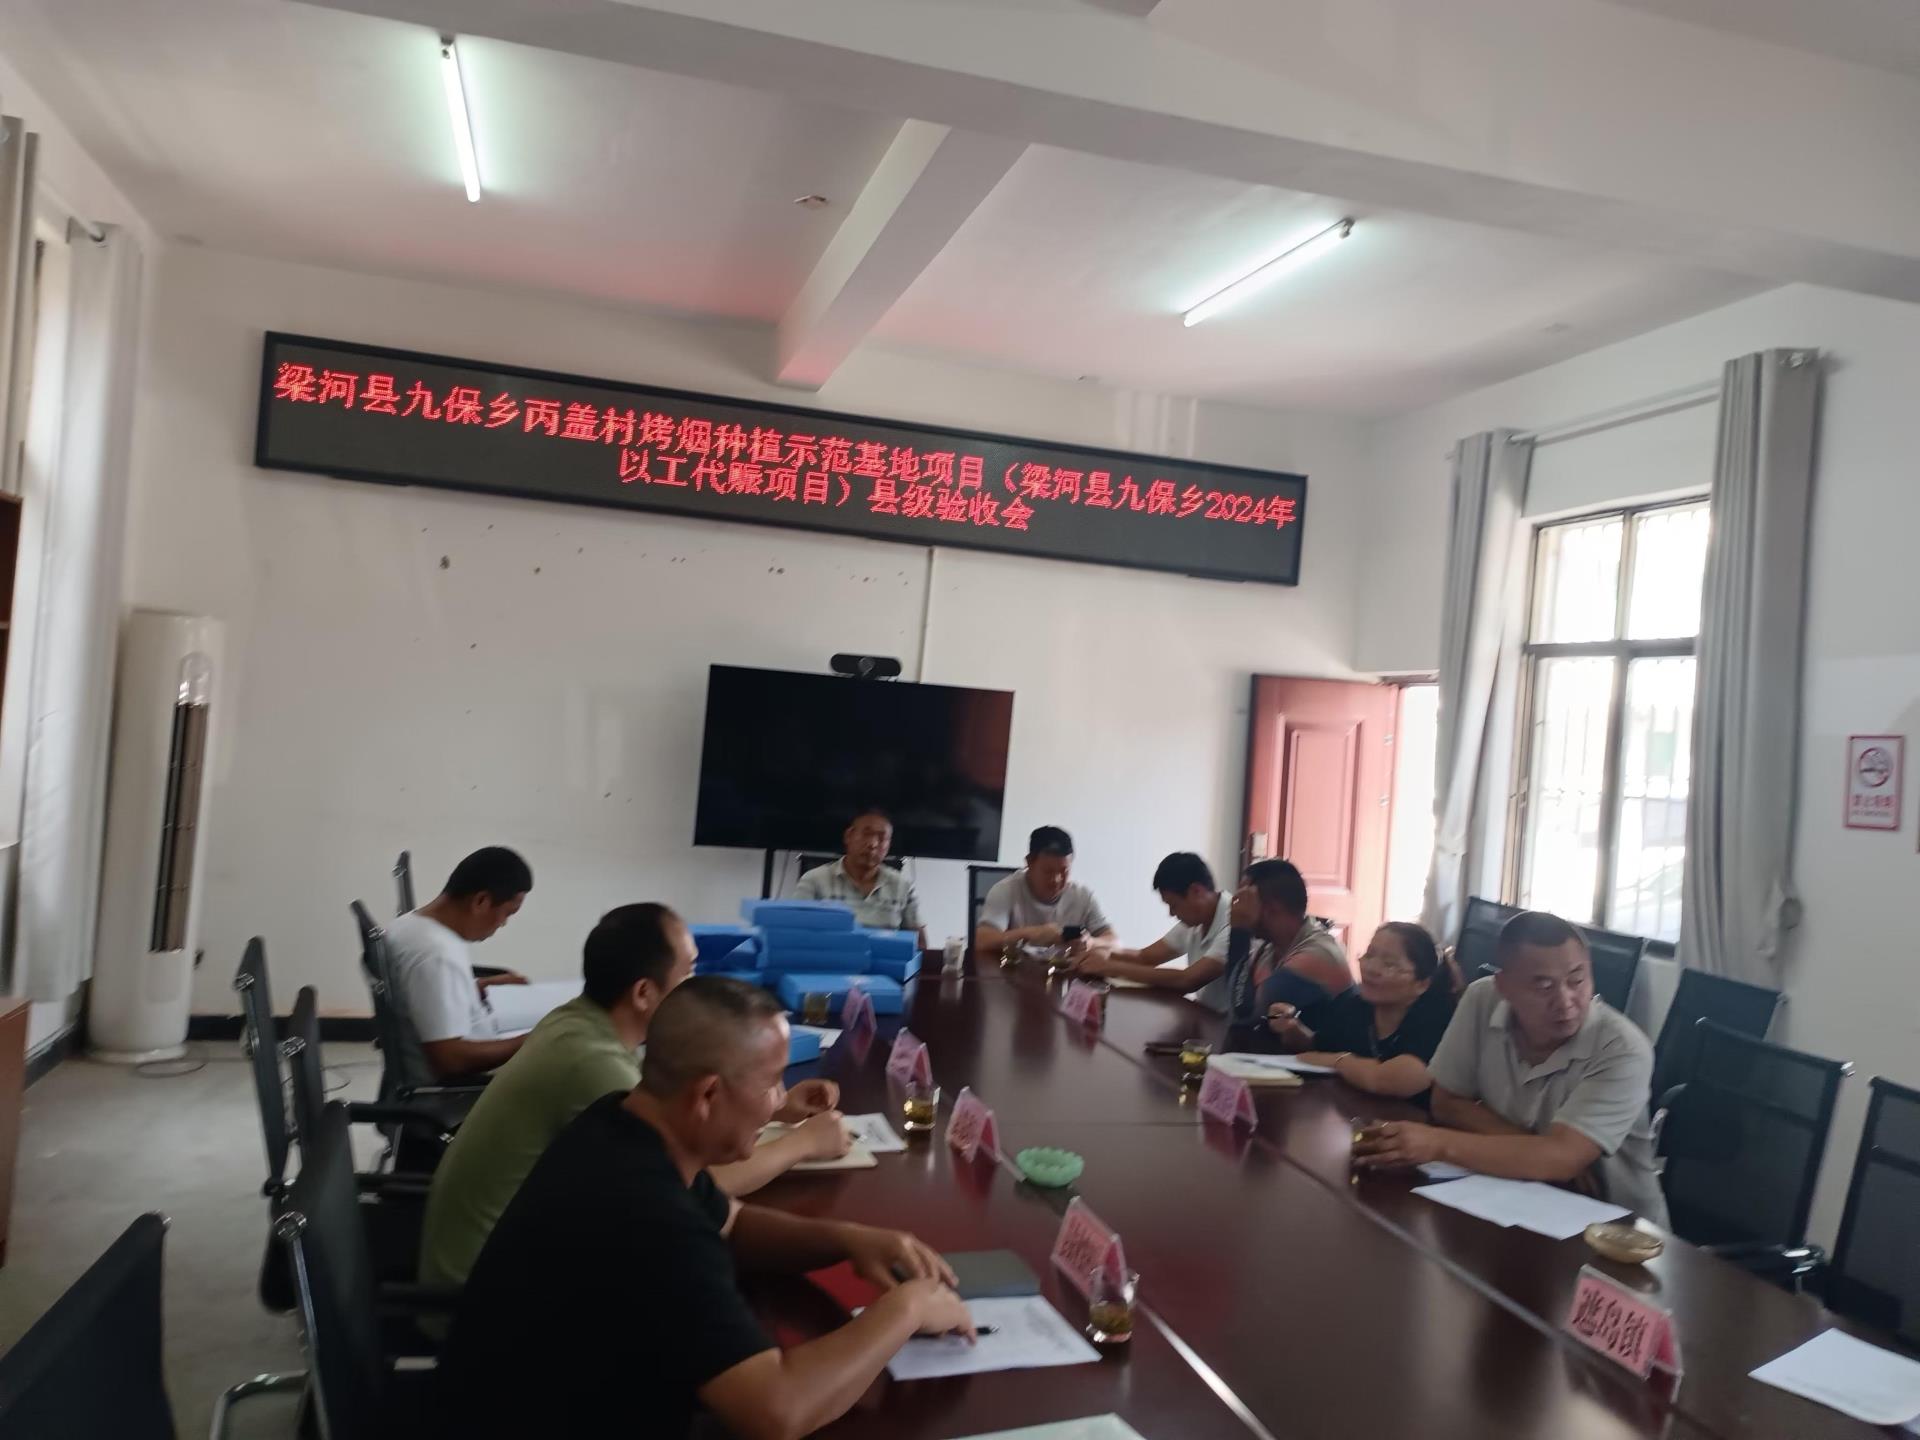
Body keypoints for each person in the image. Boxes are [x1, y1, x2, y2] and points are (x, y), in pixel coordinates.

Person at [438, 977, 974, 1439]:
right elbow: (776, 1411)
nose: (779, 1101)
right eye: (771, 1083)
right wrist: (906, 1309)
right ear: (707, 1095)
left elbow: (730, 1222)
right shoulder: (650, 1217)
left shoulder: (621, 1122)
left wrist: (846, 1240)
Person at [419, 903, 848, 1292]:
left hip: (497, 1259)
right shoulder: (594, 1064)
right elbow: (691, 1187)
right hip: (484, 1295)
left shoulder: (578, 1022)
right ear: (644, 992)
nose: (695, 986)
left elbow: (680, 1126)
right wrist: (804, 1143)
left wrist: (773, 1106)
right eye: (687, 972)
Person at [1352, 911, 1669, 1226]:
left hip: (1617, 1226)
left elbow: (1562, 1160)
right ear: (1504, 986)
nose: (1565, 1001)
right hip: (1516, 1198)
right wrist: (1539, 1153)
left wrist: (1437, 1144)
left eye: (1577, 980)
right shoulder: (1481, 999)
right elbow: (1446, 1103)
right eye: (1543, 986)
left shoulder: (1622, 1048)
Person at [383, 846, 534, 1086]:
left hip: (473, 1045)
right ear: (481, 901)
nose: (504, 923)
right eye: (508, 913)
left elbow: (422, 997)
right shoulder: (436, 954)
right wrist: (534, 1040)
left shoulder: (408, 925)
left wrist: (478, 986)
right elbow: (450, 1060)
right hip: (464, 1084)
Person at [1265, 921, 1454, 1102]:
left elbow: (1395, 1081)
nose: (1371, 969)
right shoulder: (1355, 1005)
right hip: (1360, 1114)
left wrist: (1340, 1062)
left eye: (1389, 964)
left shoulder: (1437, 1017)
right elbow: (1317, 1048)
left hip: (1413, 1121)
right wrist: (1292, 1028)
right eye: (1369, 956)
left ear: (1422, 984)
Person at [1075, 852, 1230, 1007]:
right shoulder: (1195, 920)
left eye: (1174, 905)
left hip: (1223, 1021)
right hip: (1203, 1012)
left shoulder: (1232, 924)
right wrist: (1105, 953)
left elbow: (1187, 980)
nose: (1171, 913)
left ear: (1196, 891)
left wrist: (1109, 967)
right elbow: (1146, 957)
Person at [1220, 858, 1350, 1033]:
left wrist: (1239, 931)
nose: (1236, 907)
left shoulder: (1316, 955)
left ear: (1272, 909)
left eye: (1244, 900)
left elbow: (1243, 1015)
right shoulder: (1269, 949)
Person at [792, 806, 929, 949]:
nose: (873, 844)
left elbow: (919, 944)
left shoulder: (902, 886)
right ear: (848, 836)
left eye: (882, 838)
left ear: (888, 845)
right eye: (866, 834)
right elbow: (794, 932)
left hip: (883, 961)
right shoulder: (814, 880)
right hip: (829, 959)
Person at [974, 825, 1114, 961]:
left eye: (1064, 871)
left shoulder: (1082, 896)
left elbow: (1114, 942)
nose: (1056, 880)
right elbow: (981, 940)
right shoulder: (1006, 890)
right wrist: (1031, 934)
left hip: (1065, 971)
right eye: (1048, 871)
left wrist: (1091, 942)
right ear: (1029, 863)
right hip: (1013, 972)